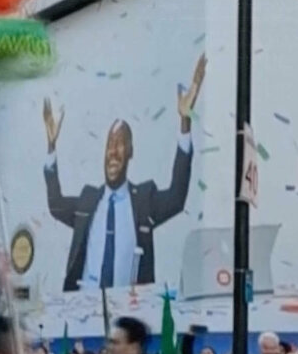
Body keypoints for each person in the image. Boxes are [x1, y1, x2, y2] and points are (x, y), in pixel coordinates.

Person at [42, 55, 206, 291]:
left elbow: (177, 196)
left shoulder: (144, 201)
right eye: (110, 144)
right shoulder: (88, 201)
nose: (113, 151)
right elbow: (55, 204)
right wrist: (51, 147)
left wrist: (185, 121)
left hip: (128, 312)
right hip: (84, 309)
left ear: (130, 151)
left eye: (120, 144)